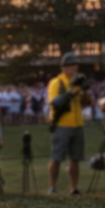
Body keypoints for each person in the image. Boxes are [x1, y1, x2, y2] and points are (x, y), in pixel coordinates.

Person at [45, 54, 87, 196]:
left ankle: (74, 187)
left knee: (75, 158)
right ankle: (52, 187)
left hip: (77, 123)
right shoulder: (56, 82)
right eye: (71, 66)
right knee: (57, 157)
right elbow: (54, 102)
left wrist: (84, 90)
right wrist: (70, 93)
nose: (75, 68)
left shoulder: (78, 82)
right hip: (62, 124)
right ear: (64, 67)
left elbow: (87, 103)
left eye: (76, 65)